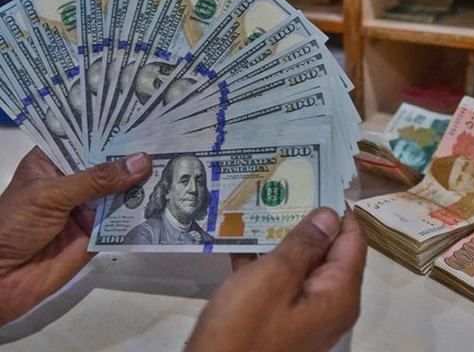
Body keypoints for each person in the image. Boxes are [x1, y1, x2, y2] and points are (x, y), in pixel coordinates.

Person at [0, 147, 366, 352]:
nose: (192, 188)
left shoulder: (204, 235)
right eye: (184, 180)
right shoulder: (146, 233)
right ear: (167, 189)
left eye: (199, 180)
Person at [124, 154, 213, 245]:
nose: (193, 189)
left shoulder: (208, 240)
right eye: (184, 181)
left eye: (199, 182)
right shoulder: (144, 235)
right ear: (167, 191)